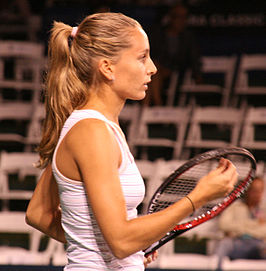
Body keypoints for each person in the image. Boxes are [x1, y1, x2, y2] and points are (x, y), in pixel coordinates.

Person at [25, 12, 237, 270]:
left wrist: (127, 250)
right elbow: (121, 240)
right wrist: (198, 197)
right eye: (142, 57)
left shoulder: (92, 126)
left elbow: (38, 213)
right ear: (107, 67)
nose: (152, 68)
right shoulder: (92, 133)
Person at [143, 2, 202, 106]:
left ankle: (148, 109)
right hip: (158, 68)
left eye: (184, 17)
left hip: (178, 70)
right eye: (177, 17)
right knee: (154, 72)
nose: (181, 21)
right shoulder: (159, 33)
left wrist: (197, 75)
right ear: (171, 18)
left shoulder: (188, 37)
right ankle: (157, 105)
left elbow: (194, 57)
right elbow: (152, 53)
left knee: (153, 74)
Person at [215, 176, 266, 270]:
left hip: (258, 246)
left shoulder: (264, 209)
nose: (257, 194)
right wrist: (254, 226)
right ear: (247, 190)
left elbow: (264, 231)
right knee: (225, 243)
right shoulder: (234, 206)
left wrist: (240, 227)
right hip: (237, 244)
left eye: (260, 190)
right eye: (254, 190)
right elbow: (223, 225)